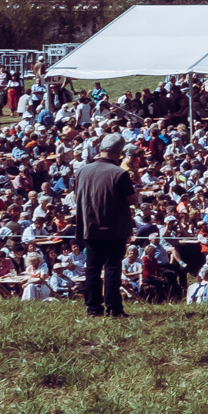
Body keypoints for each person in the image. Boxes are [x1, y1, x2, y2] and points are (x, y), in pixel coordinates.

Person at [71, 133, 135, 319]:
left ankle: (93, 309)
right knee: (112, 268)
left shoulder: (82, 171)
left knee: (92, 268)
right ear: (119, 152)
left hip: (88, 227)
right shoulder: (119, 173)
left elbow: (76, 198)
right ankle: (114, 309)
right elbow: (133, 200)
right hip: (113, 227)